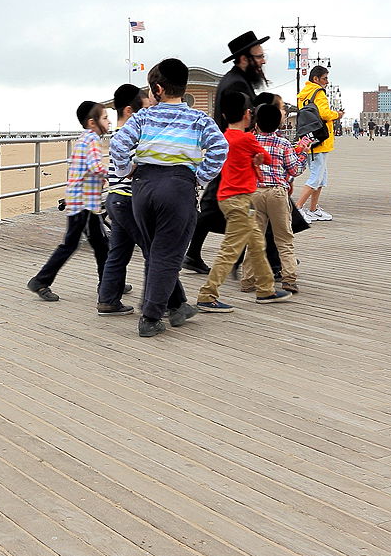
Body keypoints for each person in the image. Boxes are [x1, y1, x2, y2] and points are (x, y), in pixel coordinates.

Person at [109, 58, 228, 337]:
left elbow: (118, 144)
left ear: (158, 89)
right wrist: (199, 177)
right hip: (177, 187)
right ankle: (150, 317)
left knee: (155, 250)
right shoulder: (199, 119)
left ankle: (177, 305)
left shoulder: (143, 116)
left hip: (143, 187)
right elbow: (220, 149)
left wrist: (128, 169)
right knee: (168, 253)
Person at [194, 91, 293, 312]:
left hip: (231, 200)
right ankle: (207, 295)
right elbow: (266, 159)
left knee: (257, 244)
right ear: (248, 114)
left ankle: (266, 290)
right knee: (230, 250)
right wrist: (256, 158)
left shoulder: (224, 137)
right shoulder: (248, 139)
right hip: (240, 202)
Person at [184, 31, 270, 274]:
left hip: (230, 150)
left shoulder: (236, 80)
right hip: (233, 151)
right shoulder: (235, 84)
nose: (263, 61)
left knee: (217, 205)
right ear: (245, 58)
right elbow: (237, 119)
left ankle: (198, 255)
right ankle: (260, 258)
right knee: (231, 205)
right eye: (259, 56)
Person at [27, 101, 111, 302]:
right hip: (83, 203)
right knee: (72, 244)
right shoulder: (92, 140)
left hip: (82, 201)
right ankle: (40, 280)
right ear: (92, 122)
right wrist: (113, 174)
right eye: (105, 118)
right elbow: (94, 166)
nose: (109, 121)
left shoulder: (84, 139)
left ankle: (108, 282)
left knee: (100, 244)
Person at [97, 83, 166, 317]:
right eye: (144, 107)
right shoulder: (131, 136)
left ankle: (108, 301)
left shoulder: (117, 135)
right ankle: (163, 304)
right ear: (129, 110)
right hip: (128, 200)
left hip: (115, 199)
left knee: (118, 252)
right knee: (154, 251)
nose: (146, 112)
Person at [247, 95, 309, 294]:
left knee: (254, 238)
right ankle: (289, 278)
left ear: (256, 123)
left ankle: (248, 280)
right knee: (284, 238)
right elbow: (295, 170)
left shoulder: (250, 142)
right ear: (278, 124)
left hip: (254, 193)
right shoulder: (282, 144)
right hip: (277, 193)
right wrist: (304, 152)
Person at [295, 66, 343, 222]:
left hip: (309, 138)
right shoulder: (319, 92)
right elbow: (324, 113)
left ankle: (313, 209)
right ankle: (297, 209)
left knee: (321, 177)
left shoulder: (304, 94)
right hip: (320, 140)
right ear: (316, 79)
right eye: (325, 78)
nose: (327, 82)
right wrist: (338, 114)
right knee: (316, 177)